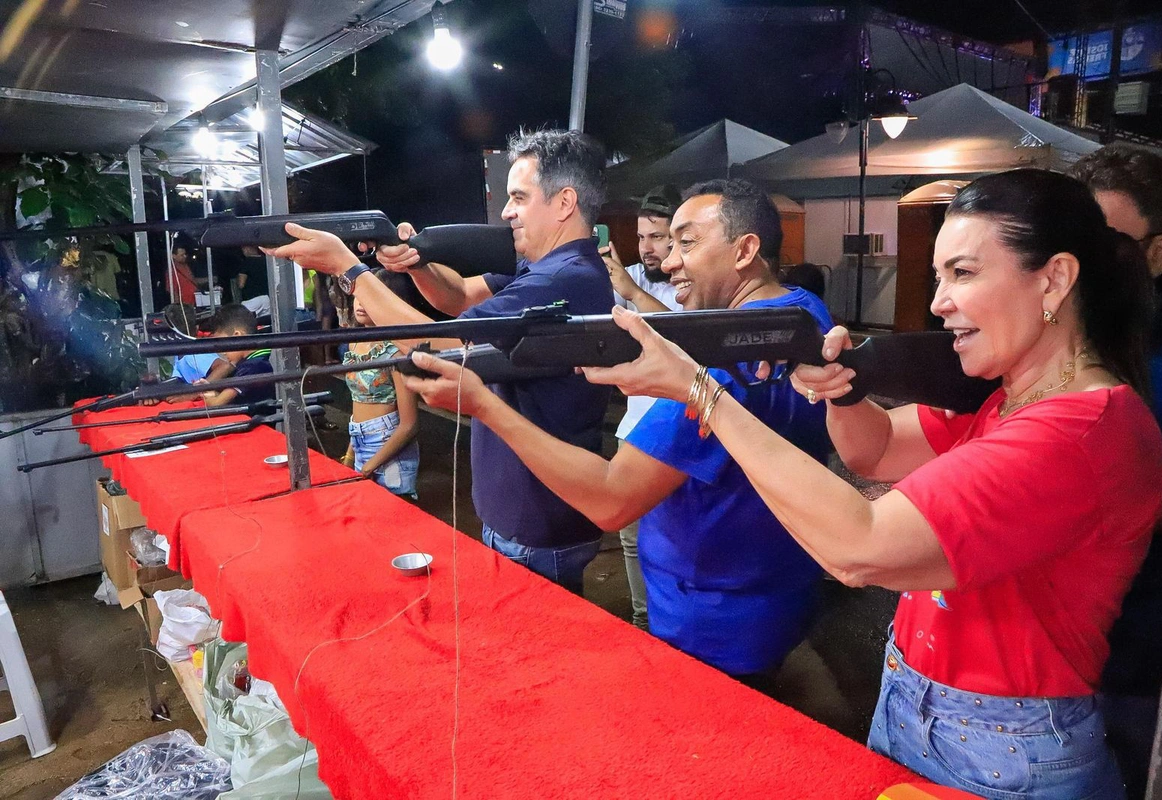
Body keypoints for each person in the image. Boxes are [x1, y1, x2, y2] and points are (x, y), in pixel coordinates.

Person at [575, 169, 1162, 798]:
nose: (939, 301)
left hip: (1004, 745)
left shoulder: (1079, 430)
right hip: (925, 704)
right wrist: (842, 388)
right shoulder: (1012, 396)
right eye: (941, 276)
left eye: (963, 274)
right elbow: (875, 449)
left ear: (1053, 280)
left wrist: (702, 391)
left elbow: (860, 548)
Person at [403, 179, 833, 688]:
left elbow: (612, 499)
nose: (669, 262)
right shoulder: (800, 311)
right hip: (766, 591)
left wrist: (484, 407)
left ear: (746, 250)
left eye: (687, 244)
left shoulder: (727, 362)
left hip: (712, 618)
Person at [263, 129, 613, 593]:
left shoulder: (564, 279)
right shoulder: (544, 268)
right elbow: (461, 297)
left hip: (535, 517)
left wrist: (350, 270)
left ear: (565, 202)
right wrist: (414, 264)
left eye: (519, 197)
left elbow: (441, 344)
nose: (507, 211)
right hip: (522, 508)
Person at [1068, 144, 1162, 796]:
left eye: (1107, 248)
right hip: (1043, 658)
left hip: (1143, 659)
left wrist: (1135, 501)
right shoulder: (1051, 330)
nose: (1078, 270)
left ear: (1159, 250)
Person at [598, 185, 684, 630]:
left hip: (679, 428)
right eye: (641, 236)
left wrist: (630, 289)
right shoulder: (624, 276)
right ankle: (640, 618)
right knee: (630, 534)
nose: (646, 247)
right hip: (635, 426)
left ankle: (671, 624)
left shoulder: (689, 282)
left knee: (677, 535)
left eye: (658, 236)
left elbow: (676, 339)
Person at [341, 269, 420, 500]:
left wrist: (367, 468)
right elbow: (357, 406)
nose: (361, 304)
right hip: (359, 442)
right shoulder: (355, 345)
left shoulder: (397, 349)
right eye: (358, 295)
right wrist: (350, 455)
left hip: (389, 448)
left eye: (371, 297)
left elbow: (410, 425)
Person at [202, 305, 273, 407]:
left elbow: (216, 404)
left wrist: (207, 397)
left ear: (237, 336)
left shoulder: (253, 367)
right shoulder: (255, 361)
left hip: (252, 421)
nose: (222, 352)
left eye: (222, 344)